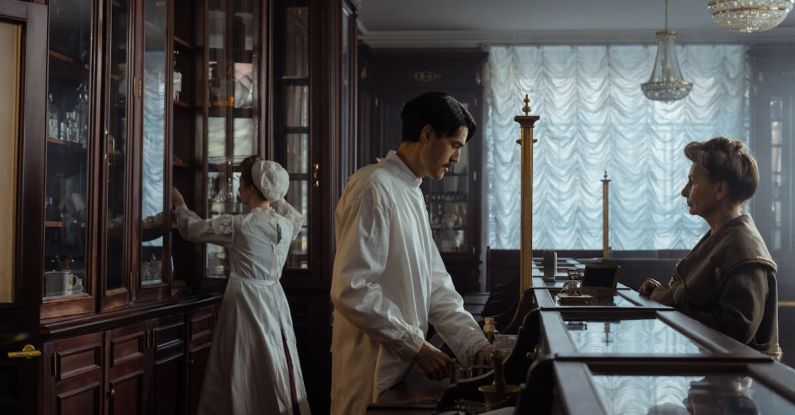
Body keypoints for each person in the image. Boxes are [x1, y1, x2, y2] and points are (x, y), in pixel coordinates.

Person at [330, 92, 491, 414]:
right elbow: (351, 289)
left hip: (399, 361)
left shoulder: (411, 191)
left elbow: (435, 286)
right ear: (427, 134)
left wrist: (477, 348)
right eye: (455, 145)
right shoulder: (373, 186)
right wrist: (416, 346)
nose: (458, 158)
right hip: (372, 363)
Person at [173, 156, 310, 414]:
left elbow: (194, 229)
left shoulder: (240, 225)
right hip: (274, 300)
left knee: (242, 365)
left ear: (249, 189)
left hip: (245, 301)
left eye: (241, 184)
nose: (238, 189)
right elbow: (293, 214)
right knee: (272, 361)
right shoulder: (287, 224)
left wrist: (180, 204)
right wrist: (270, 188)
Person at [639, 137, 780, 358]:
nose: (684, 192)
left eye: (693, 182)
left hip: (737, 386)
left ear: (720, 189)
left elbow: (736, 333)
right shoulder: (722, 237)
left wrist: (672, 305)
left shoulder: (743, 248)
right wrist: (665, 295)